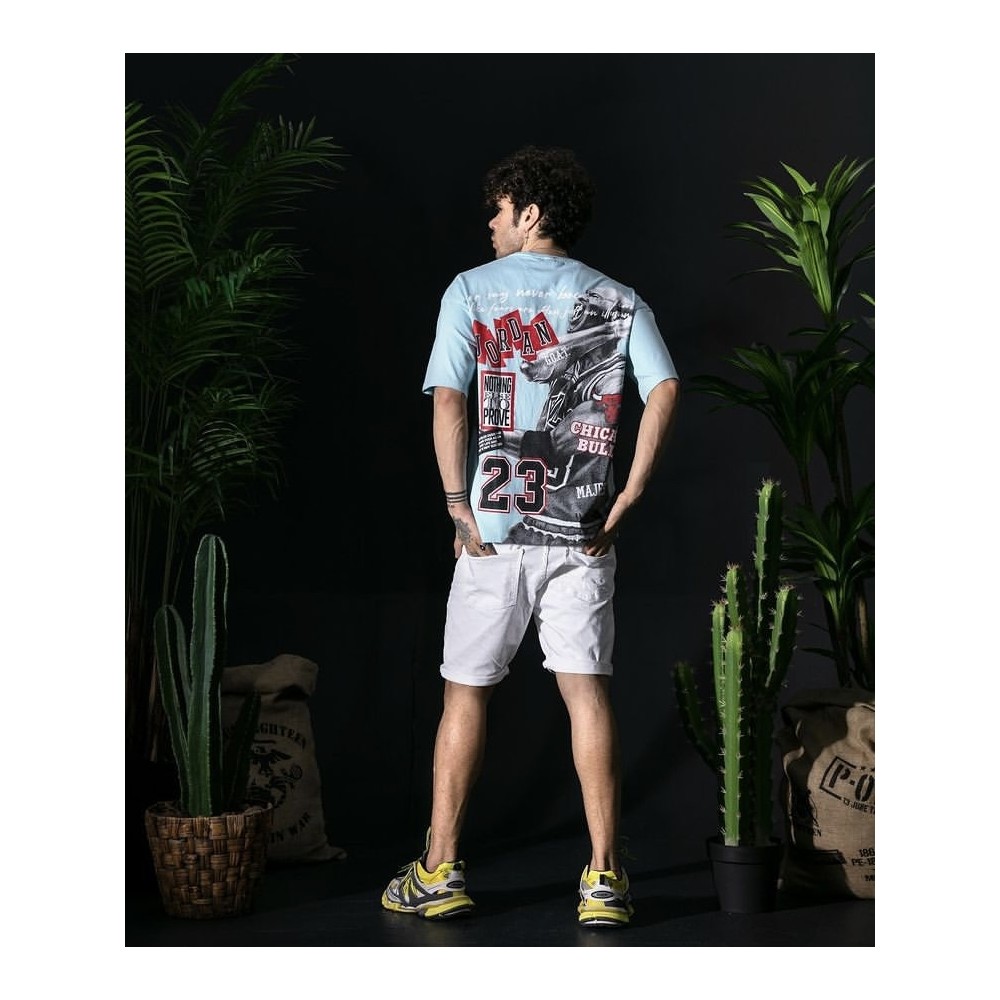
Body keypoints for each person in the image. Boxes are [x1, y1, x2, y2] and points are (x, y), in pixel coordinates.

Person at [381, 146, 680, 927]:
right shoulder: (618, 299)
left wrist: (458, 505)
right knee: (586, 693)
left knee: (465, 691)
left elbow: (449, 402)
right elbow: (665, 387)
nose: (490, 223)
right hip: (583, 533)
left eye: (499, 208)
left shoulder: (470, 291)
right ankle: (605, 878)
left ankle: (440, 870)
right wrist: (631, 491)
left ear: (531, 213)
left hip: (495, 531)